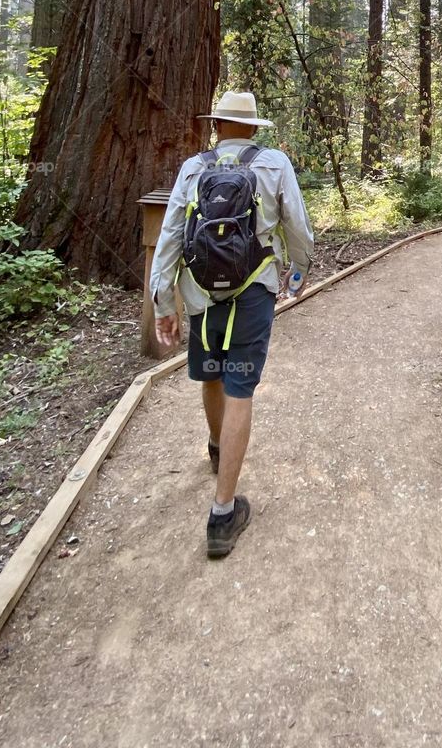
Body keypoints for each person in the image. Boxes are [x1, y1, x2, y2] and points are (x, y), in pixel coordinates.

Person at [150, 90, 314, 557]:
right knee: (241, 385)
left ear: (218, 125)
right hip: (253, 290)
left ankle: (219, 447)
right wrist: (298, 270)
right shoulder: (274, 163)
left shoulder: (193, 168)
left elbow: (170, 236)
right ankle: (223, 514)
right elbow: (296, 226)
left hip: (200, 295)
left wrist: (163, 300)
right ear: (253, 128)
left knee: (213, 376)